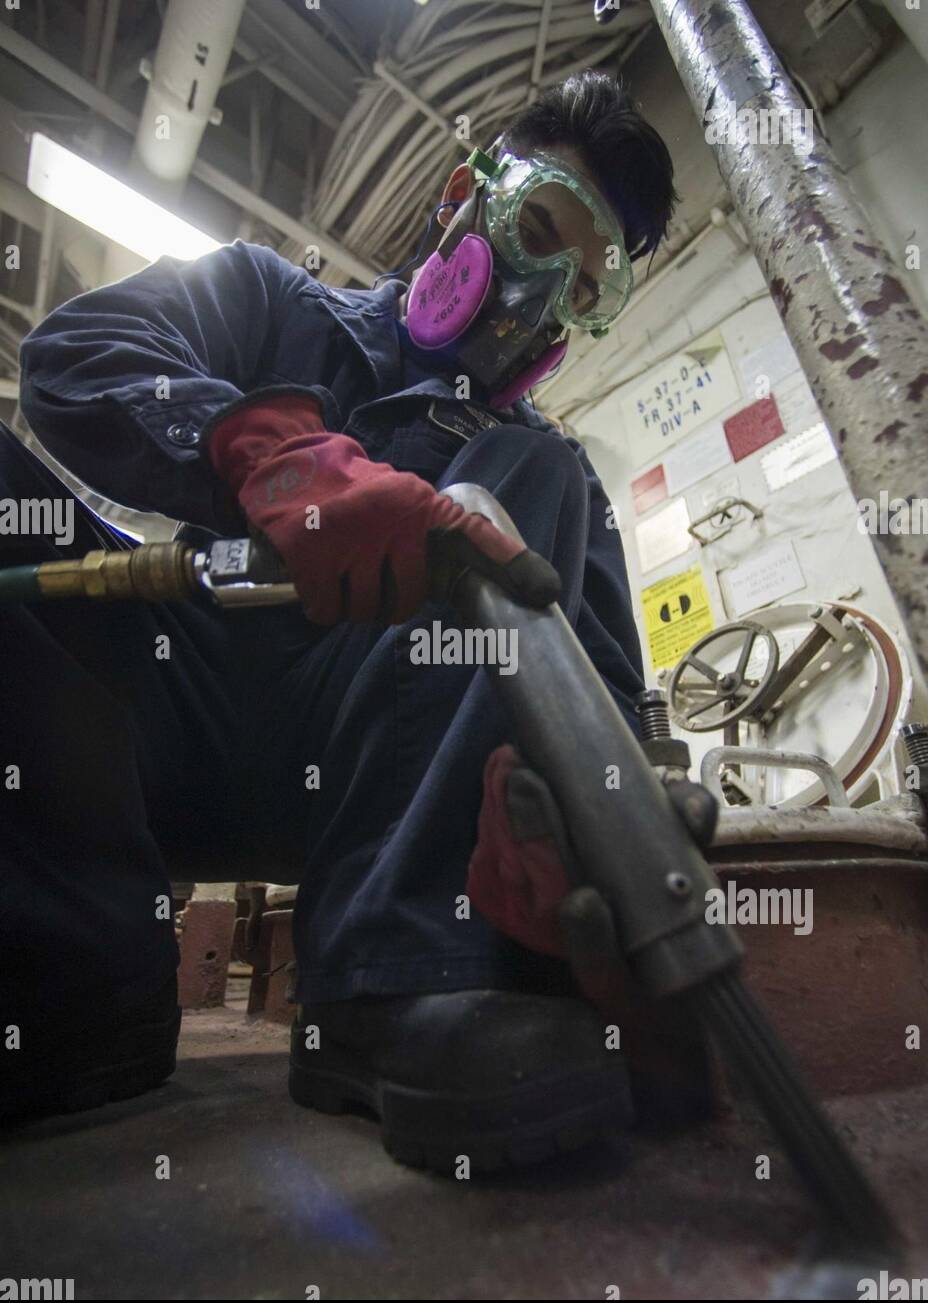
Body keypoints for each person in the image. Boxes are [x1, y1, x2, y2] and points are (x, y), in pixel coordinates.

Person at [0, 70, 677, 1169]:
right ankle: (68, 988)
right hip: (167, 713)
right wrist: (268, 455)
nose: (539, 297)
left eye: (581, 291)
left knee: (525, 474)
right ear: (466, 193)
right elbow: (70, 358)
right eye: (539, 230)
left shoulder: (543, 477)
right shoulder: (270, 300)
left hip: (384, 783)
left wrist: (603, 822)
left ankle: (390, 987)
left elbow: (598, 684)